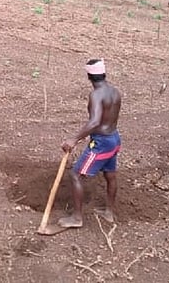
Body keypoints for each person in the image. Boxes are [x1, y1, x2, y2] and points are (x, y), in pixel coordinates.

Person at [58, 59, 122, 227]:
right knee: (110, 175)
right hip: (114, 138)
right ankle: (109, 212)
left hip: (102, 143)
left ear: (89, 76)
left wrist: (74, 139)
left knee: (75, 175)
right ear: (104, 73)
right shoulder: (115, 91)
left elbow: (94, 122)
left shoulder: (96, 95)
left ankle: (77, 218)